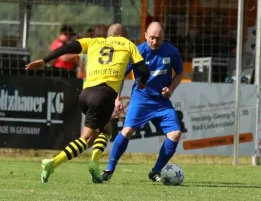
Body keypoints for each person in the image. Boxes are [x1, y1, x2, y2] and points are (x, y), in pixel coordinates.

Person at [25, 24, 150, 183]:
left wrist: (44, 60)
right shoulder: (128, 44)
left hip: (85, 95)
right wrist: (143, 83)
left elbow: (67, 48)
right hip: (103, 95)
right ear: (122, 35)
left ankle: (94, 166)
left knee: (104, 129)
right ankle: (54, 163)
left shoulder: (93, 42)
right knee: (87, 138)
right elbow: (144, 70)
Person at [102, 22, 183, 182]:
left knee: (175, 134)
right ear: (145, 35)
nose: (154, 41)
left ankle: (156, 171)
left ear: (163, 37)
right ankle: (109, 168)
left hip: (161, 101)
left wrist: (171, 89)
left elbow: (180, 73)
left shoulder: (171, 52)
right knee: (127, 131)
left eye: (158, 38)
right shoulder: (137, 51)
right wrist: (117, 98)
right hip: (141, 99)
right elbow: (120, 75)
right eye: (151, 38)